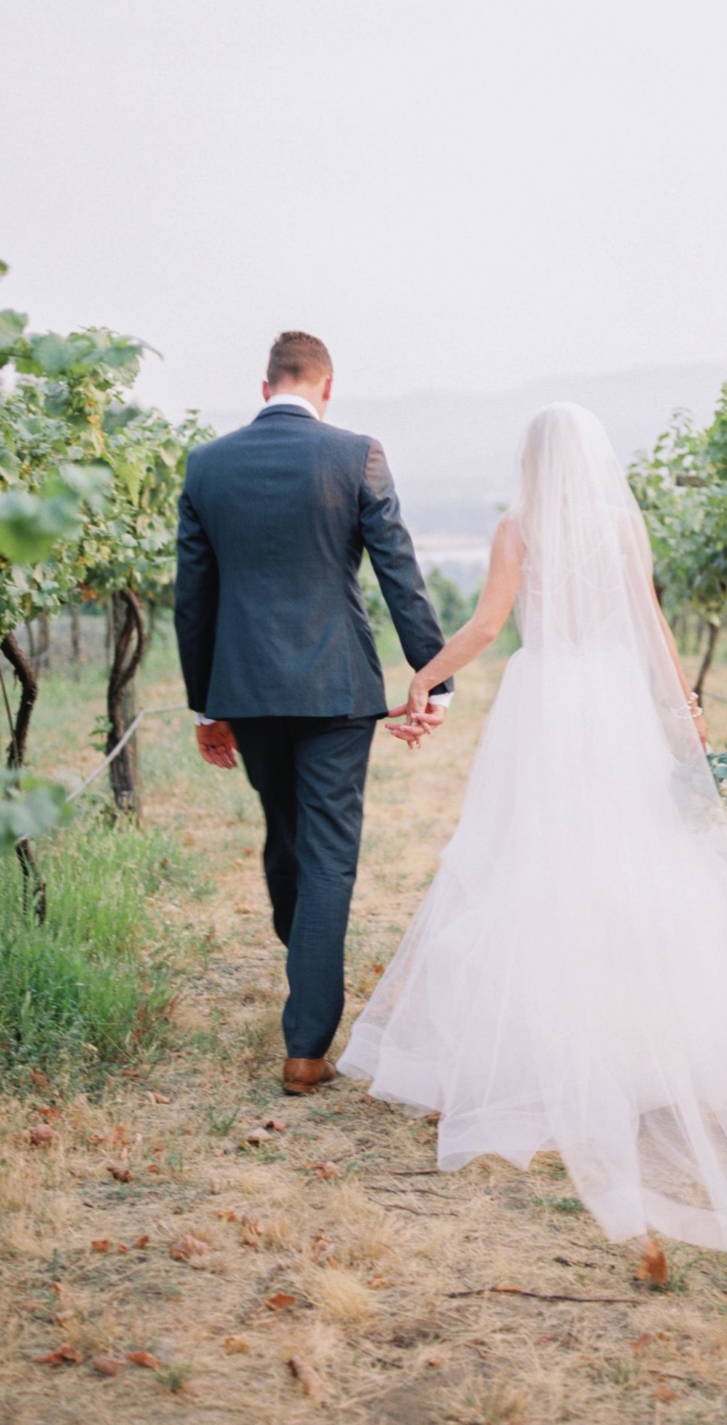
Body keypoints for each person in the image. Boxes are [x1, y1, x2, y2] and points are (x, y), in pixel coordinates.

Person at [340, 402, 727, 1284]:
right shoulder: (623, 522)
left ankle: (543, 1054)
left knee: (534, 864)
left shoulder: (517, 527)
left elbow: (487, 627)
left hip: (549, 702)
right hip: (614, 704)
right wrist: (687, 725)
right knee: (629, 864)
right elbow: (654, 630)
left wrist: (425, 675)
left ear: (533, 460)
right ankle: (639, 1052)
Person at [173, 330, 453, 1097]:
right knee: (326, 852)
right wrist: (435, 676)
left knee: (284, 833)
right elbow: (399, 569)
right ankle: (306, 1048)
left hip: (248, 689)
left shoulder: (208, 464)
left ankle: (306, 980)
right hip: (336, 689)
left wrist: (208, 704)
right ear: (327, 388)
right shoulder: (356, 454)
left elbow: (192, 598)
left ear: (266, 389)